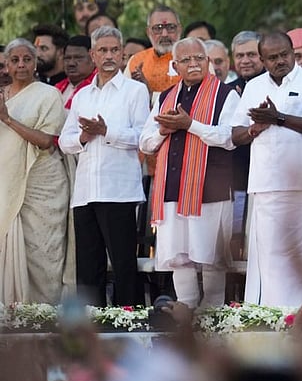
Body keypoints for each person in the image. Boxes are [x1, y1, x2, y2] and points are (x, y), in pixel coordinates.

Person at [140, 38, 240, 309]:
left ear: (207, 62)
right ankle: (186, 308)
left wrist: (190, 124)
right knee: (179, 256)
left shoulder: (226, 94)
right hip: (173, 188)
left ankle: (213, 313)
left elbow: (229, 137)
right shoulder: (164, 97)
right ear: (175, 66)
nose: (193, 64)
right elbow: (145, 143)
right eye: (186, 60)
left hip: (211, 189)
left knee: (211, 258)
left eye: (199, 58)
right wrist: (163, 130)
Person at [231, 32, 302, 306]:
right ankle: (272, 312)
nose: (280, 61)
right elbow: (235, 134)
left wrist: (279, 118)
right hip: (267, 183)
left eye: (285, 54)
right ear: (262, 60)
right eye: (272, 58)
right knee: (270, 252)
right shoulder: (254, 86)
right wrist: (255, 128)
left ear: (292, 52)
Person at [59, 26, 150, 306]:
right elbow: (64, 141)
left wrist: (106, 131)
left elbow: (142, 137)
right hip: (86, 190)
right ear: (93, 55)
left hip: (118, 190)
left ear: (122, 54)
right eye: (103, 50)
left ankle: (129, 321)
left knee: (123, 264)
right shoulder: (83, 95)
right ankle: (91, 323)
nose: (109, 56)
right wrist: (84, 137)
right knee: (88, 266)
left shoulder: (135, 91)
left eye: (114, 50)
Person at [0, 39, 70, 304]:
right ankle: (12, 314)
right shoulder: (3, 95)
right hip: (7, 185)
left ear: (35, 64)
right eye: (14, 60)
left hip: (42, 186)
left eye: (27, 59)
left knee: (43, 252)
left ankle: (44, 313)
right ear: (6, 65)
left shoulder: (48, 95)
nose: (21, 65)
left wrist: (7, 119)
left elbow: (46, 140)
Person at [226, 31, 264, 254]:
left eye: (251, 54)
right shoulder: (227, 90)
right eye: (240, 55)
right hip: (236, 176)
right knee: (234, 238)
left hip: (267, 176)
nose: (245, 60)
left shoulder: (272, 85)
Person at [126, 5, 183, 105]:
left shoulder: (195, 59)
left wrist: (150, 94)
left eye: (171, 27)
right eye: (158, 28)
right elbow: (125, 99)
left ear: (179, 29)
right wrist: (137, 89)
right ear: (148, 32)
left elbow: (200, 96)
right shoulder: (136, 61)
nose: (164, 34)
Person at [55, 35, 96, 111]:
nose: (71, 63)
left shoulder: (98, 87)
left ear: (93, 58)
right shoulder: (57, 88)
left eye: (78, 58)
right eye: (67, 58)